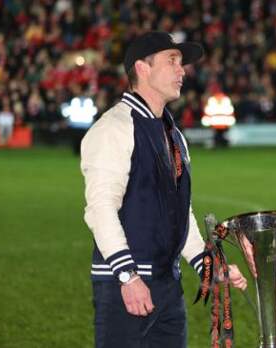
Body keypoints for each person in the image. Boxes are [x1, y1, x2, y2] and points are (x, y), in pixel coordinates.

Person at [80, 31, 247, 348]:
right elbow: (101, 208)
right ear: (142, 68)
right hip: (125, 286)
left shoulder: (172, 133)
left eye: (181, 63)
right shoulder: (113, 128)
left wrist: (208, 266)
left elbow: (179, 213)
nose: (181, 70)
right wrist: (128, 277)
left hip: (168, 285)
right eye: (172, 61)